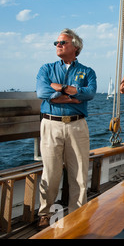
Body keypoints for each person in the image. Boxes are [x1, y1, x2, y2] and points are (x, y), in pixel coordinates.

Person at [36, 28, 97, 229]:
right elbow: (42, 91)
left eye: (62, 42)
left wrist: (59, 88)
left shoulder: (88, 72)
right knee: (51, 172)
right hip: (51, 124)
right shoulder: (46, 69)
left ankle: (78, 214)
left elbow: (88, 94)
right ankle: (44, 213)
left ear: (75, 47)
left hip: (77, 125)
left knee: (79, 173)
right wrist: (71, 96)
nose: (58, 45)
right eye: (56, 43)